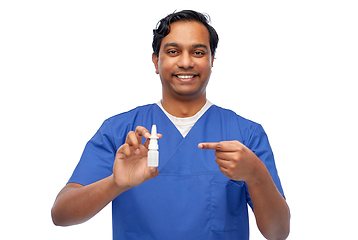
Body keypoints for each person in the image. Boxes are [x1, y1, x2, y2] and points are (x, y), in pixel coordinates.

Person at [51, 10, 290, 240]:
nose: (186, 62)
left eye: (198, 52)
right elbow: (61, 214)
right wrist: (115, 183)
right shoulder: (121, 132)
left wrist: (257, 175)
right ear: (156, 61)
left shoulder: (246, 135)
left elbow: (278, 233)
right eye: (174, 51)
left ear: (211, 60)